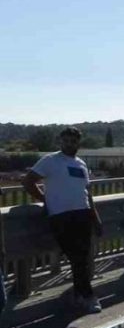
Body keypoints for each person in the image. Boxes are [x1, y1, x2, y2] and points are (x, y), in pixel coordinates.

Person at [22, 127, 104, 313]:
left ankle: (80, 296)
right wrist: (45, 199)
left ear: (78, 143)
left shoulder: (81, 164)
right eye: (66, 141)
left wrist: (96, 219)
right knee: (77, 256)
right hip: (61, 216)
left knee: (81, 257)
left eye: (73, 141)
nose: (69, 144)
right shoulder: (51, 160)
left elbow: (87, 194)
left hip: (82, 214)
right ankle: (88, 297)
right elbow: (28, 181)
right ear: (60, 142)